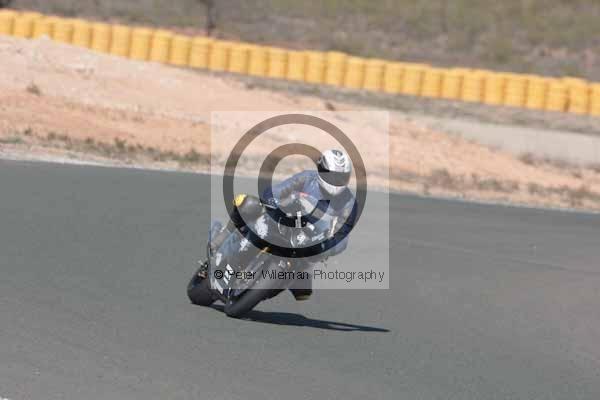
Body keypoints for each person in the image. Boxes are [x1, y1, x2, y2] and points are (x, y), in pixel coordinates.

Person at [208, 149, 357, 300]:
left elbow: (343, 236)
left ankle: (262, 289)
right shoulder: (307, 178)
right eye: (332, 176)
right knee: (247, 203)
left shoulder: (349, 203)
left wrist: (328, 247)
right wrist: (273, 201)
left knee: (303, 293)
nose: (336, 181)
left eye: (341, 177)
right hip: (282, 220)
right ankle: (224, 235)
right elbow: (277, 190)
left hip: (308, 243)